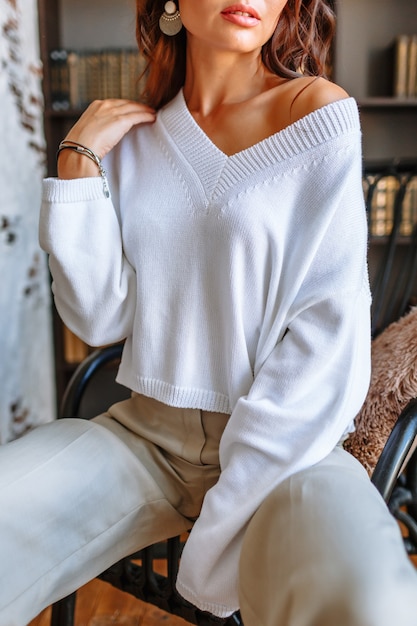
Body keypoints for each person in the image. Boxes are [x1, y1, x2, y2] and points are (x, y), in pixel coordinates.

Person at [1, 0, 417, 624]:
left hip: (287, 448)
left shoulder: (319, 115)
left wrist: (226, 519)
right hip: (145, 442)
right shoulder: (134, 140)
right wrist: (76, 162)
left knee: (369, 602)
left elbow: (323, 336)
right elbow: (99, 319)